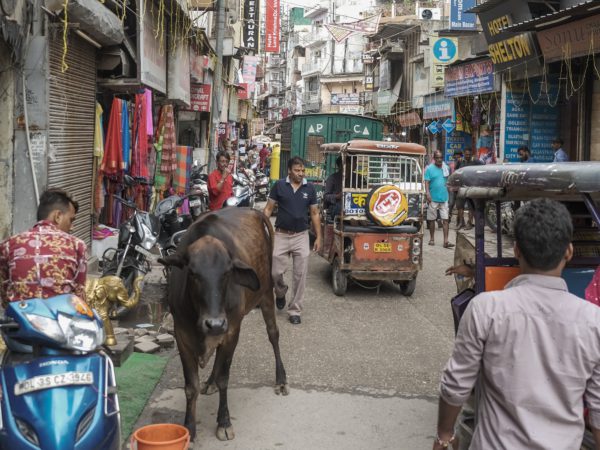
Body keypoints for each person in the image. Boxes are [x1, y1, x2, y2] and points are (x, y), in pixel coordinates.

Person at [434, 198, 600, 450]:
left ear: (517, 250)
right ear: (569, 251)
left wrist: (444, 436)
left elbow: (456, 384)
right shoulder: (593, 321)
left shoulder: (486, 309)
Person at [0, 188, 87, 307]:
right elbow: (78, 296)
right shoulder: (77, 245)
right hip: (60, 320)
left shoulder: (8, 244)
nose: (72, 227)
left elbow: (4, 291)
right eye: (71, 220)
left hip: (19, 320)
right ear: (57, 216)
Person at [263, 156, 322, 325]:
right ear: (289, 171)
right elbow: (268, 208)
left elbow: (315, 213)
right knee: (274, 271)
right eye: (297, 170)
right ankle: (280, 291)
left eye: (303, 170)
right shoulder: (280, 186)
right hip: (281, 235)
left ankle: (295, 309)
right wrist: (262, 229)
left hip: (301, 236)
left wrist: (319, 236)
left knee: (300, 275)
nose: (301, 173)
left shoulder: (309, 188)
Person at [424, 150, 453, 248]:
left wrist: (450, 190)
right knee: (432, 220)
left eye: (441, 158)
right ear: (434, 159)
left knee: (445, 220)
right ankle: (432, 239)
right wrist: (427, 193)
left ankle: (446, 241)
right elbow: (427, 182)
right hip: (432, 198)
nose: (439, 160)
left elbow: (449, 181)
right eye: (437, 158)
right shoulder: (429, 169)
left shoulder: (446, 168)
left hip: (444, 197)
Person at [454, 148, 482, 229]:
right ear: (464, 154)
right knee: (460, 206)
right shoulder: (460, 161)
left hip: (471, 187)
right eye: (466, 154)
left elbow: (483, 168)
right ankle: (460, 223)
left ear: (471, 154)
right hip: (462, 187)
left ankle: (469, 223)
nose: (468, 156)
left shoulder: (476, 161)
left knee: (471, 207)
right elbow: (456, 172)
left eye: (469, 154)